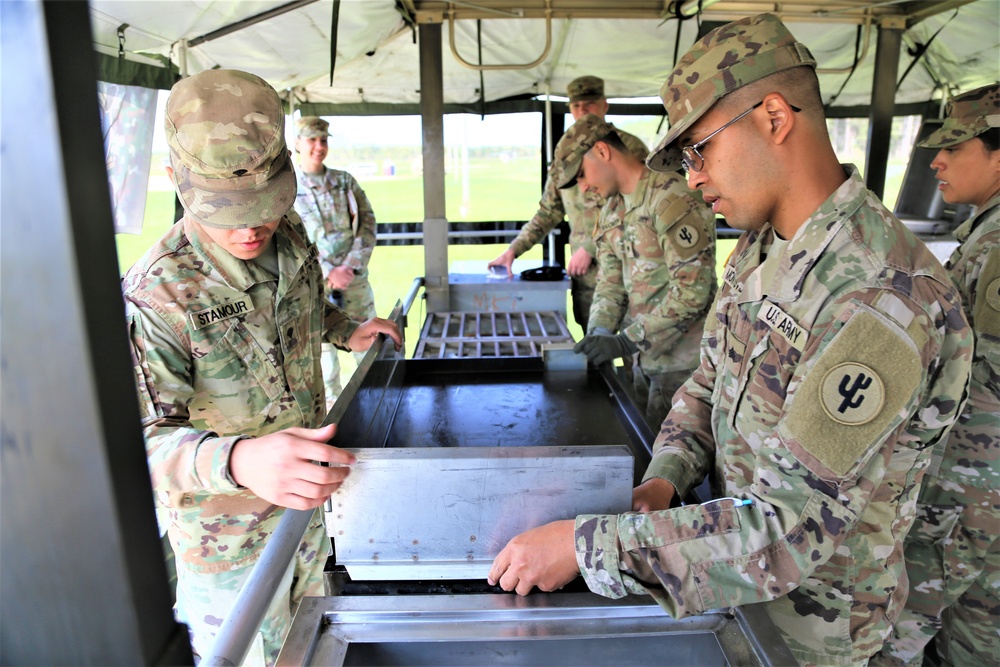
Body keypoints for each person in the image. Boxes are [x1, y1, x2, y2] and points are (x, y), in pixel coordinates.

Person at [487, 14, 973, 667]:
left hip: (818, 638)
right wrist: (663, 479)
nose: (691, 178)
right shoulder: (758, 249)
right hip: (729, 593)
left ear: (774, 116)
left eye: (700, 150)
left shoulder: (882, 298)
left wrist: (586, 547)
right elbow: (710, 379)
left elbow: (789, 528)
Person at [121, 69, 402, 665]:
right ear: (177, 180)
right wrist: (240, 459)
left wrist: (344, 328)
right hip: (232, 552)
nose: (251, 227)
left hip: (311, 519)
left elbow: (297, 303)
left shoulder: (290, 232)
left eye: (265, 206)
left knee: (318, 648)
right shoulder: (159, 294)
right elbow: (135, 444)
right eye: (227, 211)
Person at [873, 84, 1000, 667]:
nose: (936, 162)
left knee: (898, 634)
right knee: (975, 631)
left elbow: (983, 376)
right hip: (977, 481)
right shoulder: (983, 233)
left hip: (969, 480)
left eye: (957, 146)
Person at [563, 113, 716, 428]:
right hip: (641, 359)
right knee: (644, 445)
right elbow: (610, 283)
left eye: (581, 174)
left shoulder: (671, 198)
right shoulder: (612, 210)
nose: (583, 187)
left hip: (684, 366)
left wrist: (623, 342)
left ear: (603, 152)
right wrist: (600, 332)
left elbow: (692, 293)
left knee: (681, 461)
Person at [488, 75, 648, 331]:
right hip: (587, 277)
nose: (582, 111)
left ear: (604, 105)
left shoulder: (628, 148)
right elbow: (548, 211)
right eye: (576, 106)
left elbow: (638, 209)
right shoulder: (566, 155)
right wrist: (513, 250)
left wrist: (589, 247)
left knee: (634, 351)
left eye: (589, 104)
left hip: (630, 268)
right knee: (595, 346)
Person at [293, 116, 379, 408]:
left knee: (368, 347)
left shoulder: (344, 181)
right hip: (315, 285)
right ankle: (331, 422)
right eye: (312, 140)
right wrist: (329, 271)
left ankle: (379, 407)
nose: (319, 146)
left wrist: (349, 267)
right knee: (321, 359)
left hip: (353, 282)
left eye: (324, 140)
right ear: (297, 144)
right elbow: (290, 239)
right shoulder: (288, 188)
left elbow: (367, 224)